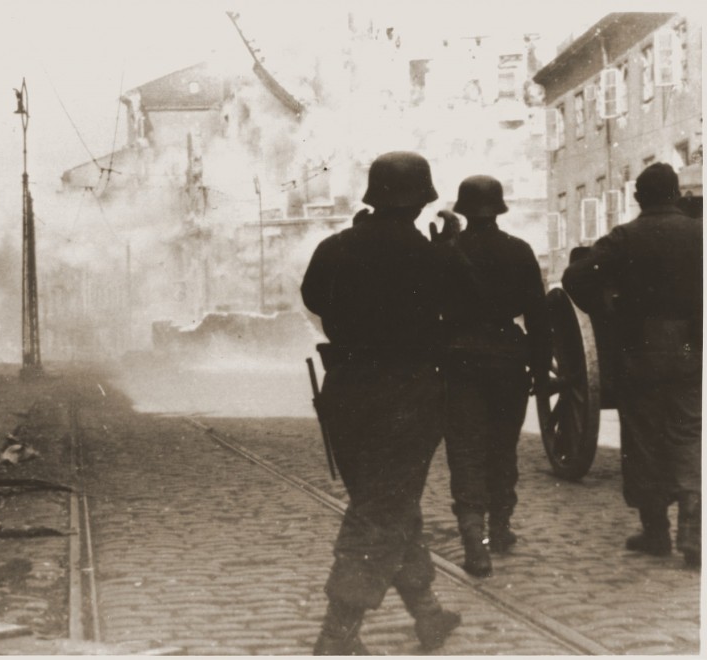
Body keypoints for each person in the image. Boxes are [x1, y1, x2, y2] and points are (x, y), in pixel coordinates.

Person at [301, 151, 471, 654]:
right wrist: (450, 249)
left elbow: (314, 298)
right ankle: (337, 635)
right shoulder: (432, 256)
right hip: (408, 395)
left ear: (373, 196)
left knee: (389, 503)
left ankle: (428, 614)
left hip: (346, 391)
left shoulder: (335, 247)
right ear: (422, 200)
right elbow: (467, 307)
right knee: (382, 509)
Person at [563, 163, 702, 567]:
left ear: (639, 198)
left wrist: (605, 311)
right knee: (688, 432)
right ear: (676, 194)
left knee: (642, 437)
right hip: (691, 347)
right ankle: (692, 529)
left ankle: (655, 532)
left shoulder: (625, 237)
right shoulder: (700, 234)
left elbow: (575, 277)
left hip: (639, 347)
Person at [440, 175, 551, 577]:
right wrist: (541, 367)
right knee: (503, 447)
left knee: (465, 450)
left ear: (464, 210)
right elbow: (537, 315)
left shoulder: (448, 252)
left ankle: (473, 537)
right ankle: (500, 528)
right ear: (499, 209)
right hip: (508, 360)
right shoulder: (518, 250)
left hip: (459, 360)